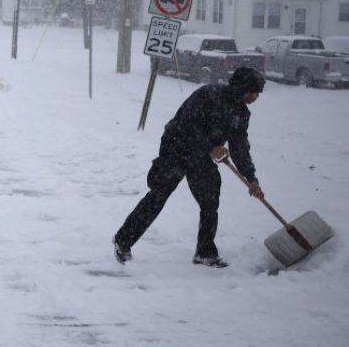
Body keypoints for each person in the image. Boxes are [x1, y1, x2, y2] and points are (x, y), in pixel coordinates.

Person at [112, 67, 266, 268]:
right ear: (240, 87)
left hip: (201, 157)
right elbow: (186, 125)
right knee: (158, 195)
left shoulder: (241, 114)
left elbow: (240, 147)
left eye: (257, 93)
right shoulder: (208, 95)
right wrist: (211, 147)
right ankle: (122, 241)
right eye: (252, 92)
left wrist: (251, 178)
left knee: (210, 200)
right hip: (177, 148)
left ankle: (205, 252)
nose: (254, 97)